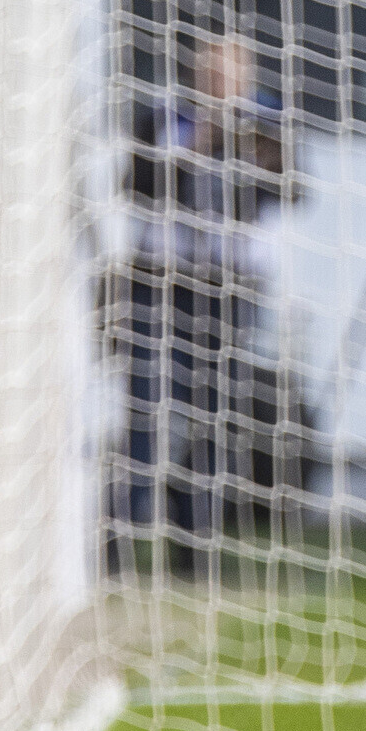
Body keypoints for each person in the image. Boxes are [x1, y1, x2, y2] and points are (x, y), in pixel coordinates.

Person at [112, 32, 289, 567]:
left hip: (228, 286)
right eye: (211, 71)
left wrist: (254, 154)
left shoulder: (264, 122)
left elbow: (290, 192)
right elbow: (135, 185)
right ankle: (117, 543)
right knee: (146, 407)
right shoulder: (163, 116)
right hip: (161, 280)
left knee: (213, 415)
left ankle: (196, 547)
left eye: (230, 74)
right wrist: (197, 145)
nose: (220, 82)